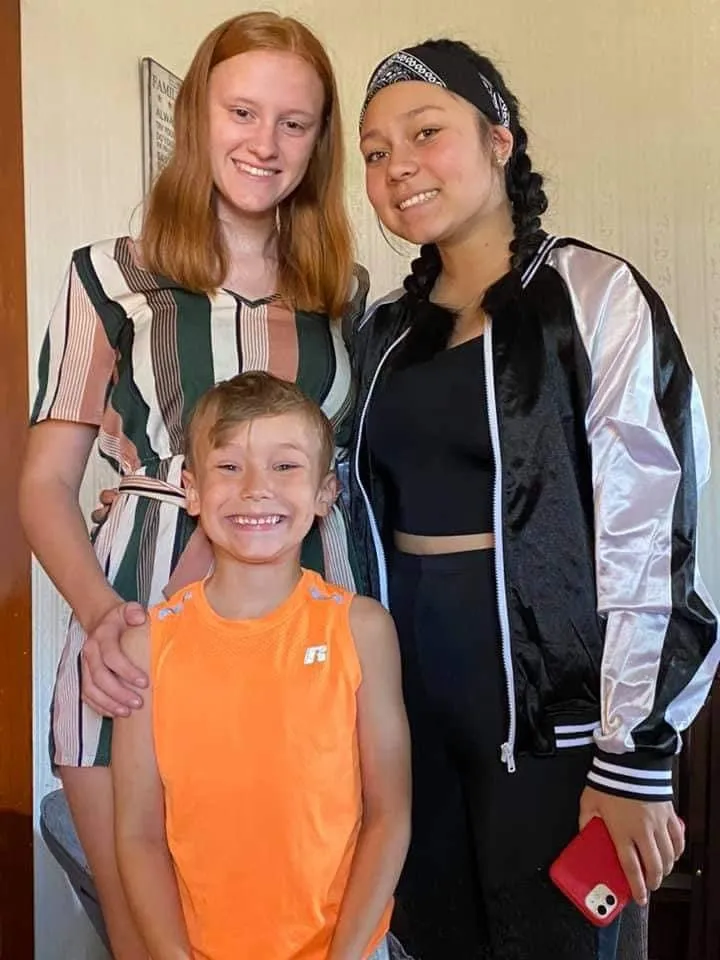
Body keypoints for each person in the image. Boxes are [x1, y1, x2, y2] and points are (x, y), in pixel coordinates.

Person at [348, 38, 720, 960]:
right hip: (406, 705)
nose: (397, 167)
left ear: (499, 140)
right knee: (430, 938)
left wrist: (635, 756)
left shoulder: (589, 295)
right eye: (374, 152)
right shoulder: (382, 333)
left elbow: (652, 524)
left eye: (424, 133)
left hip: (555, 716)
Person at [19, 13, 368, 958]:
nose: (266, 143)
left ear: (320, 140)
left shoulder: (344, 290)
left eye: (295, 122)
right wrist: (102, 617)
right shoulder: (109, 276)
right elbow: (44, 483)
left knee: (302, 921)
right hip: (135, 625)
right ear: (197, 117)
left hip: (305, 639)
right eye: (242, 112)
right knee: (151, 937)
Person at [111, 371, 411, 960]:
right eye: (229, 467)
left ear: (325, 493)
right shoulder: (147, 644)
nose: (255, 489)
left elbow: (390, 813)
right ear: (192, 491)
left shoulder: (362, 630)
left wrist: (345, 954)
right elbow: (138, 832)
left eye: (285, 466)